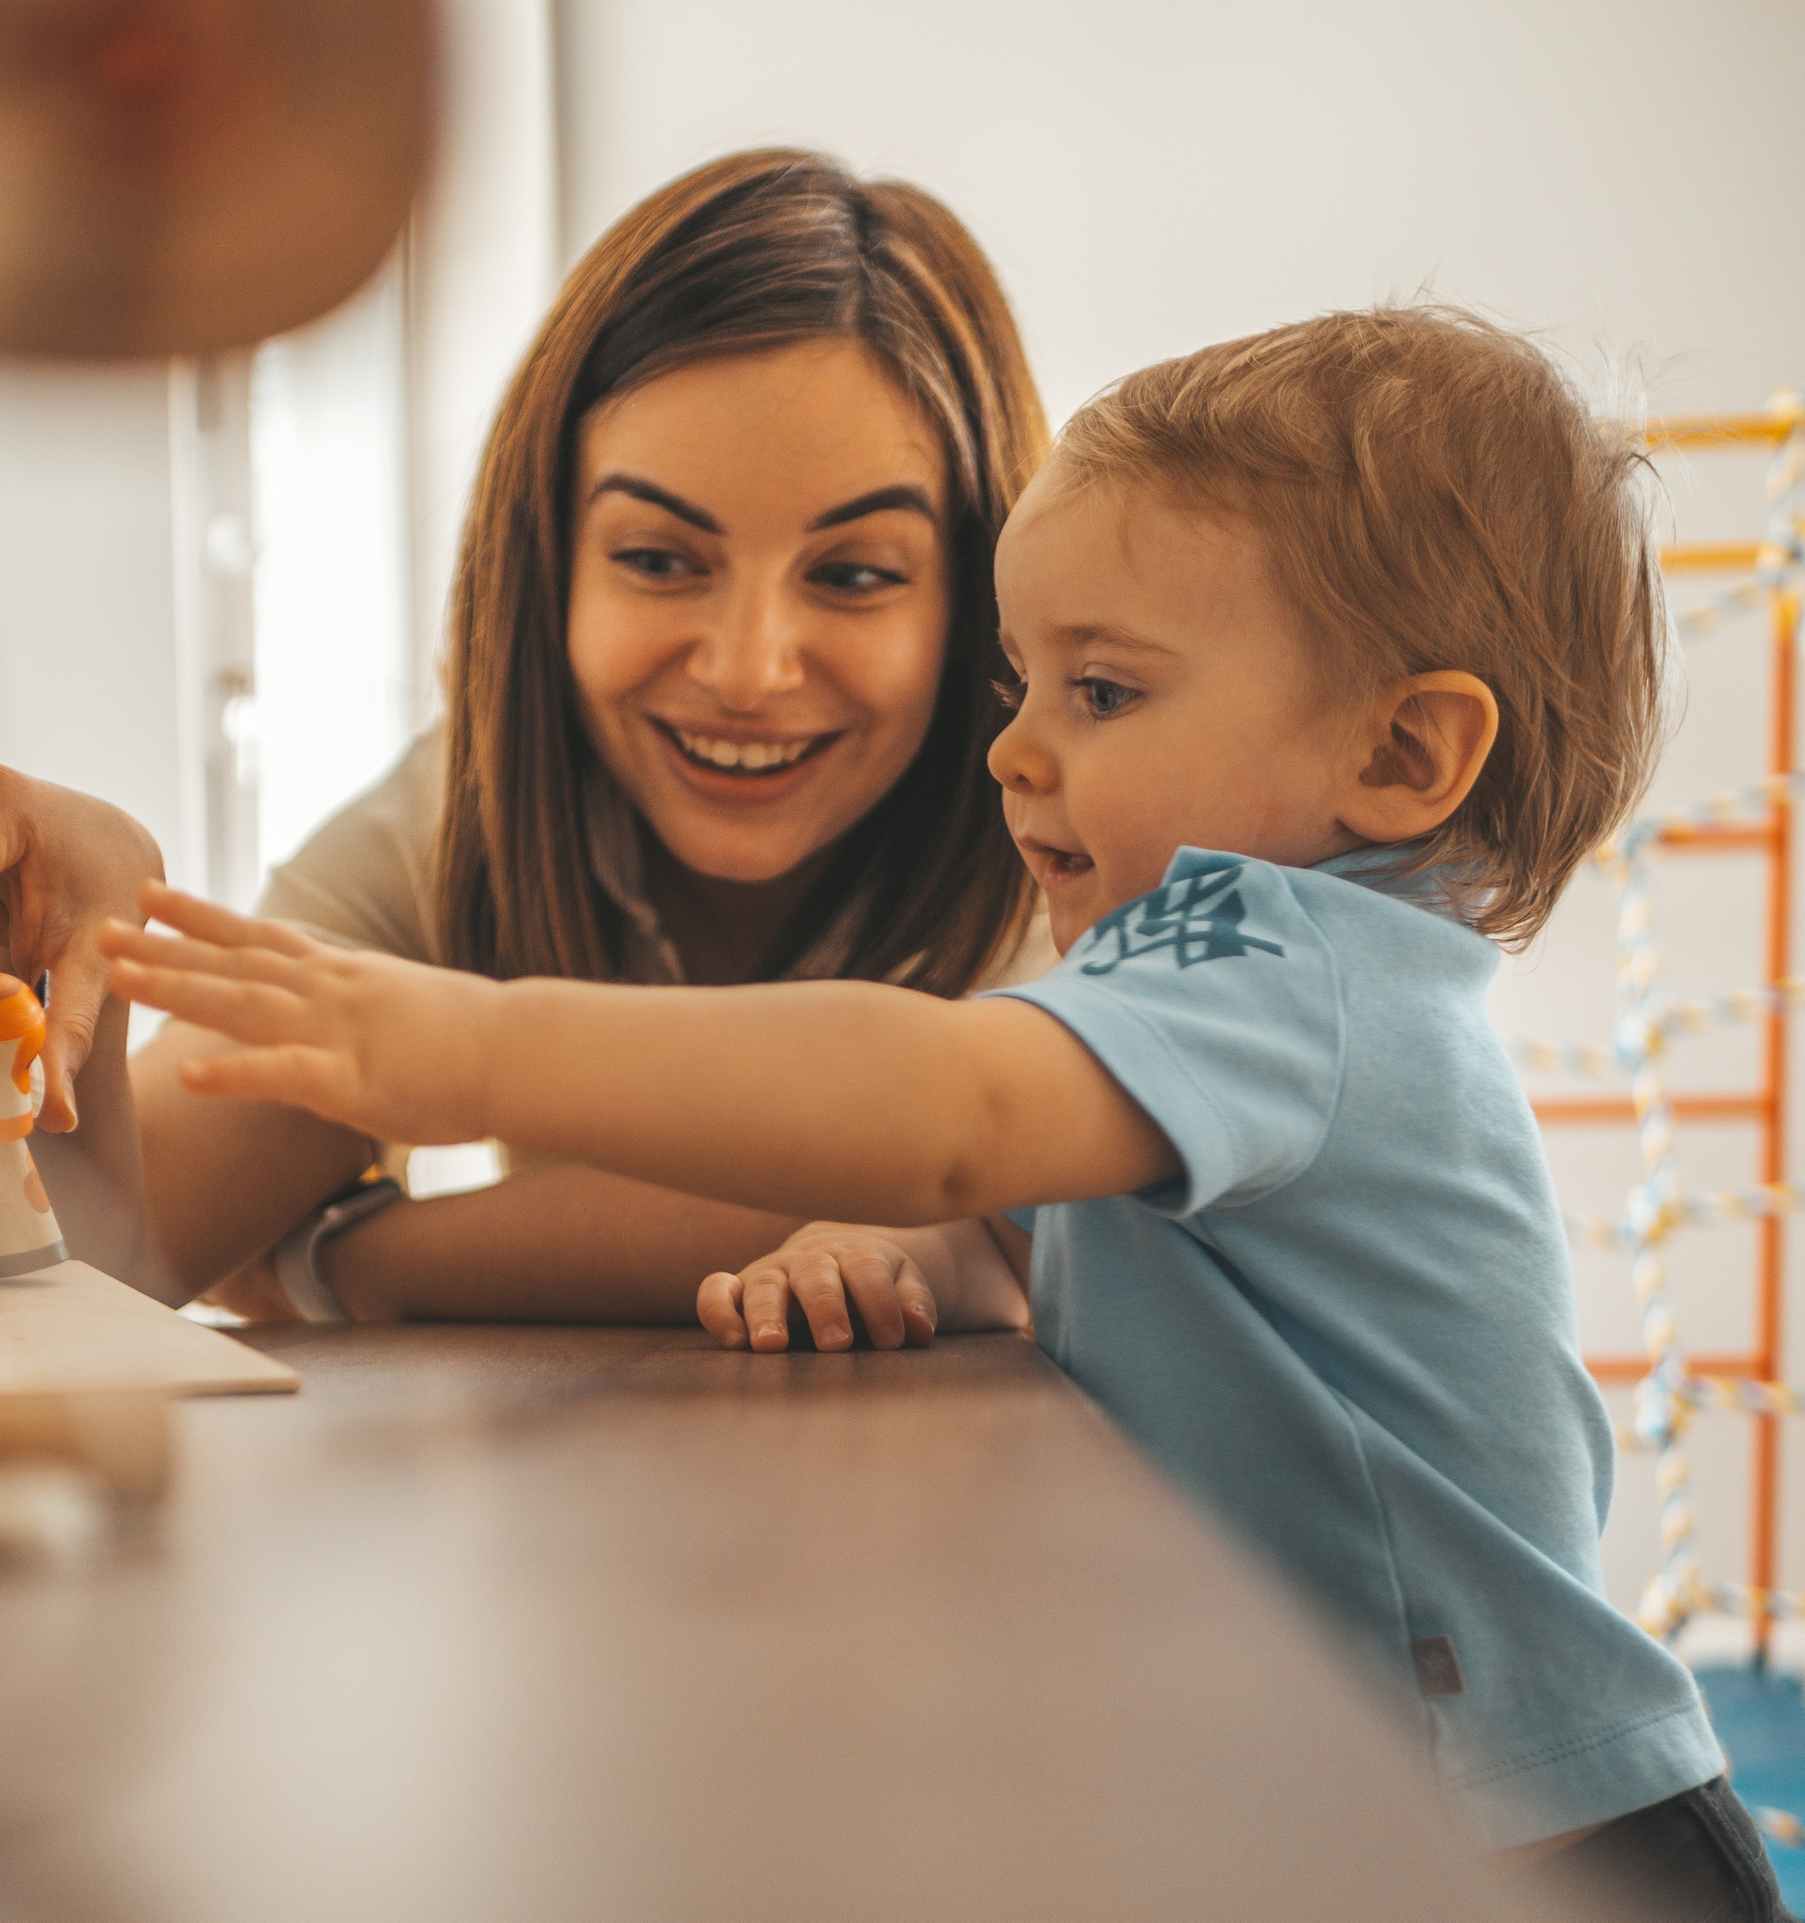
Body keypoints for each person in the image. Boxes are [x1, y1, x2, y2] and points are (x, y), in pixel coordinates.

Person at [89, 306, 1793, 1912]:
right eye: (1019, 689)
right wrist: (888, 1243)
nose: (1016, 755)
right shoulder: (1203, 1004)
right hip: (1365, 1790)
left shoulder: (1286, 961)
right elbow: (987, 1217)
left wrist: (471, 1055)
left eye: (1104, 693)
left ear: (1406, 760)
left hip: (1530, 1835)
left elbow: (951, 1105)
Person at [0, 149, 1053, 1328]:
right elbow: (123, 1261)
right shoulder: (460, 821)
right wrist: (56, 965)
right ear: (547, 569)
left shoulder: (1071, 832)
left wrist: (340, 1259)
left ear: (979, 596)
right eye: (660, 558)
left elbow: (976, 1161)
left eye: (856, 577)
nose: (747, 668)